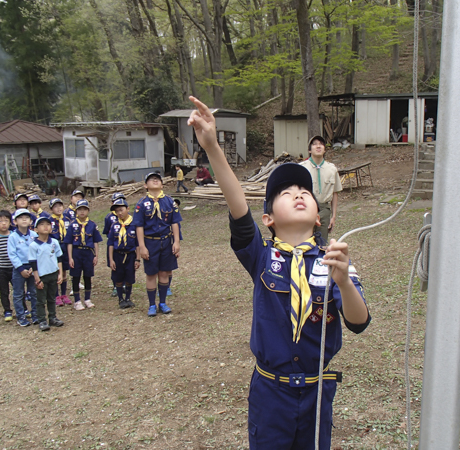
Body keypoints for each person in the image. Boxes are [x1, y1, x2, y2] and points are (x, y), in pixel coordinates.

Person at [188, 96, 370, 450]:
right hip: (271, 392)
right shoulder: (261, 256)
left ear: (318, 215)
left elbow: (359, 322)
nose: (298, 195)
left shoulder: (333, 260)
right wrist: (211, 146)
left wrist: (344, 281)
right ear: (269, 219)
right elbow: (239, 210)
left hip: (318, 391)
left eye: (305, 191)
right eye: (285, 193)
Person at [133, 172, 181, 316]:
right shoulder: (141, 204)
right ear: (145, 185)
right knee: (151, 274)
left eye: (158, 179)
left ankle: (163, 302)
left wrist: (176, 242)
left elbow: (174, 222)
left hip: (166, 241)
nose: (155, 181)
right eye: (151, 179)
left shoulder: (169, 201)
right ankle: (152, 304)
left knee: (164, 273)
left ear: (162, 184)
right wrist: (141, 246)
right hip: (150, 243)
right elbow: (139, 226)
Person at [300, 136, 343, 243]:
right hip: (306, 209)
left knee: (322, 244)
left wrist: (333, 217)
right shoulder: (302, 168)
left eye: (321, 144)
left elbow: (335, 193)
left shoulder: (332, 169)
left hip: (324, 210)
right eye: (314, 144)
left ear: (324, 149)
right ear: (310, 150)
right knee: (304, 243)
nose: (318, 146)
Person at [64, 199, 102, 310]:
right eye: (79, 209)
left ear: (88, 211)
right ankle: (77, 300)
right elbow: (69, 243)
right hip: (76, 252)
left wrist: (96, 256)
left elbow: (96, 241)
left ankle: (87, 299)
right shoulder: (72, 225)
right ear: (76, 211)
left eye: (84, 209)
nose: (82, 212)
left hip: (88, 253)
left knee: (87, 276)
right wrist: (70, 257)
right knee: (75, 276)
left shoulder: (92, 225)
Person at [29, 217, 64, 331]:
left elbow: (59, 258)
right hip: (42, 276)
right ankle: (42, 320)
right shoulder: (34, 245)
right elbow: (33, 263)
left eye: (48, 224)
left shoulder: (54, 242)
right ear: (36, 229)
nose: (45, 227)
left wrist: (60, 273)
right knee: (40, 300)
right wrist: (37, 278)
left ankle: (53, 317)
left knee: (52, 297)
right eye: (42, 224)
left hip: (53, 273)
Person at [7, 209, 38, 327]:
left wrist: (33, 267)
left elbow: (37, 251)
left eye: (26, 217)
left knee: (34, 292)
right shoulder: (12, 237)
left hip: (32, 267)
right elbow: (12, 254)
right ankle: (21, 316)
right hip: (19, 268)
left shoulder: (34, 235)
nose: (24, 219)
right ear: (15, 221)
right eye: (20, 218)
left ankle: (36, 314)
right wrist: (21, 269)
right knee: (19, 293)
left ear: (31, 221)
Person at [108, 198, 140, 309]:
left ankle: (128, 298)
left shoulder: (134, 224)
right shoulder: (114, 226)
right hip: (118, 255)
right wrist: (111, 259)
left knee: (130, 277)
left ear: (128, 209)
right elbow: (111, 243)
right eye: (117, 211)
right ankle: (120, 299)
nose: (119, 213)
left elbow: (137, 244)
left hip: (130, 255)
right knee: (118, 277)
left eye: (121, 210)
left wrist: (137, 259)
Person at [49, 198, 72, 306]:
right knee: (56, 272)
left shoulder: (67, 219)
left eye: (60, 206)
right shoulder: (49, 221)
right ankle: (56, 295)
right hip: (55, 247)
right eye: (55, 207)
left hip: (65, 247)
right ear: (51, 209)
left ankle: (64, 294)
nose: (58, 208)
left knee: (64, 272)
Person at [103, 192, 126, 297]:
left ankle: (125, 285)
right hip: (114, 245)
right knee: (115, 267)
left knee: (126, 266)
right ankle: (116, 286)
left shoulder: (129, 218)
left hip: (126, 246)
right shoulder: (109, 217)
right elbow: (107, 231)